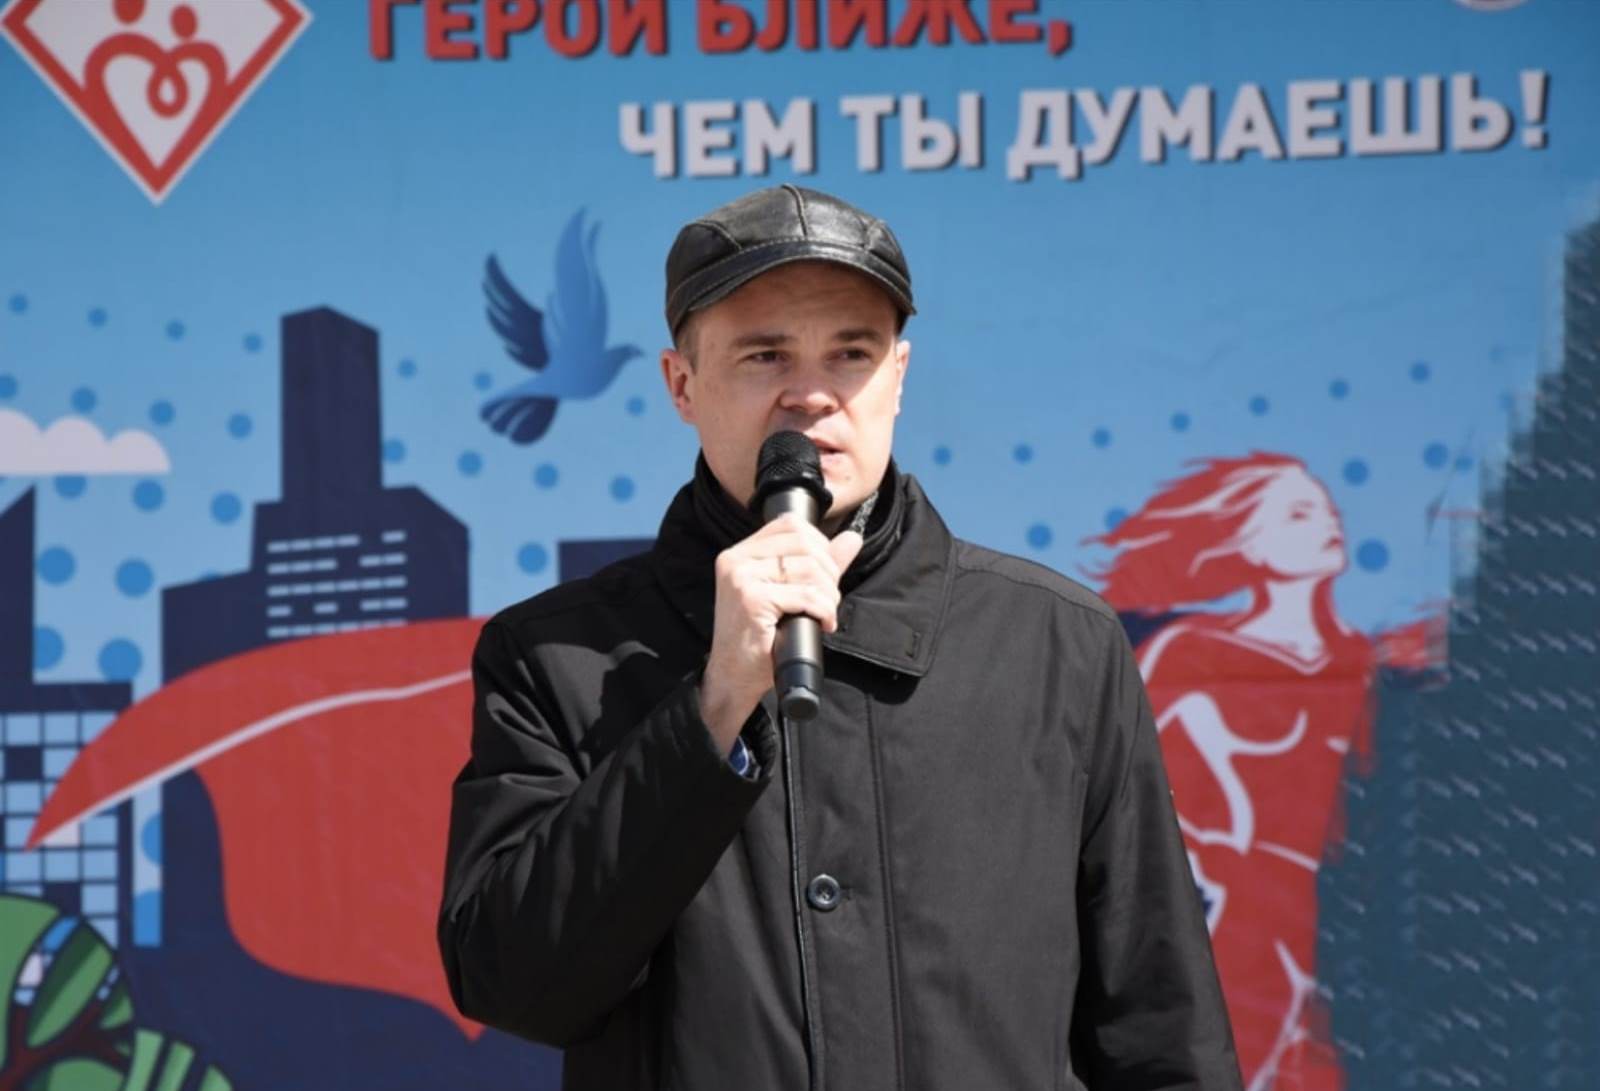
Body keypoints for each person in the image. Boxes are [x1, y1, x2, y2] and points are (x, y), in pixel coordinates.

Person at [438, 184, 1243, 1090]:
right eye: (764, 355)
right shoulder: (555, 657)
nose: (811, 396)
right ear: (681, 384)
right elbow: (515, 984)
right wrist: (713, 708)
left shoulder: (1060, 646)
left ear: (898, 377)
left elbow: (1162, 1032)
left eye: (851, 354)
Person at [1088, 453, 1376, 1091]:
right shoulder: (1191, 652)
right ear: (1252, 546)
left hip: (1349, 926)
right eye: (1298, 513)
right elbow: (1129, 791)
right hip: (1240, 919)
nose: (1328, 520)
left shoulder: (1366, 664)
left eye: (1326, 507)